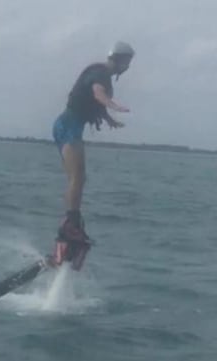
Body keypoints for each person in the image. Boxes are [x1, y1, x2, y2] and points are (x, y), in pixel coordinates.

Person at [52, 41, 135, 269]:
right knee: (77, 178)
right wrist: (112, 104)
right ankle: (70, 225)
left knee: (78, 178)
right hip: (68, 126)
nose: (128, 66)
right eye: (127, 61)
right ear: (118, 58)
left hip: (68, 126)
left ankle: (72, 226)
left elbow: (95, 105)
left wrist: (110, 119)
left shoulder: (102, 75)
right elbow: (97, 93)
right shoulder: (100, 73)